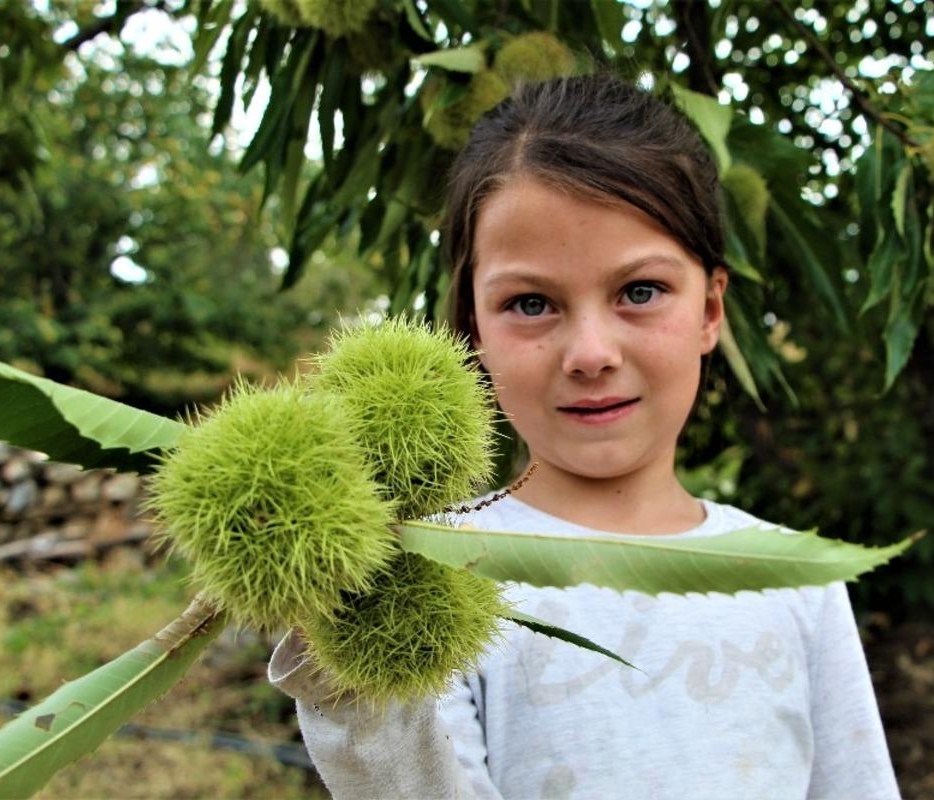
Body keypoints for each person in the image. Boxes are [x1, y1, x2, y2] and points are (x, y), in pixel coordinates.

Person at [269, 73, 901, 800]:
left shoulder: (800, 581)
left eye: (639, 291)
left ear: (710, 309)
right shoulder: (431, 573)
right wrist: (338, 636)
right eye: (531, 303)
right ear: (473, 332)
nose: (591, 353)